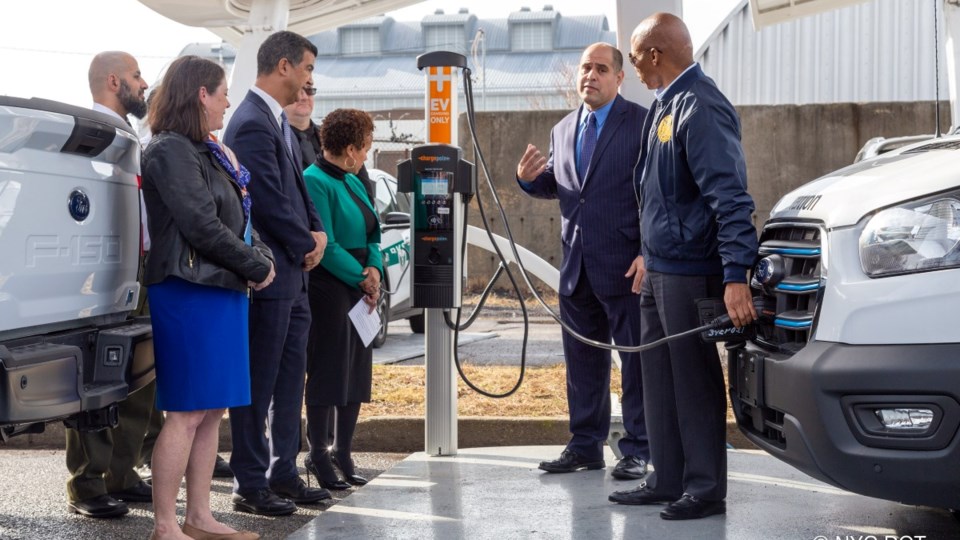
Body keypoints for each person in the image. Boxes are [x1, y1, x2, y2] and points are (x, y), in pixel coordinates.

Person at [608, 13, 759, 520]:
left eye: (633, 56)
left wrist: (736, 275)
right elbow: (660, 195)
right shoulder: (666, 105)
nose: (630, 66)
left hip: (692, 270)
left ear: (656, 54)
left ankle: (704, 488)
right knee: (659, 378)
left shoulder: (702, 106)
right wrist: (648, 255)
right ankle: (665, 477)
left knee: (692, 381)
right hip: (659, 268)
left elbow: (731, 199)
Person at [141, 55, 273, 540]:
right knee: (187, 411)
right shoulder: (169, 149)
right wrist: (256, 264)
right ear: (201, 94)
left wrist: (259, 255)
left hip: (220, 288)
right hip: (189, 290)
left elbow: (239, 216)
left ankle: (199, 517)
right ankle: (165, 525)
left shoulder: (208, 150)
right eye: (222, 94)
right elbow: (200, 224)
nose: (227, 103)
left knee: (212, 408)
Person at [515, 42, 650, 480]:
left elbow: (657, 195)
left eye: (600, 69)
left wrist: (649, 252)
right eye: (584, 68)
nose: (590, 75)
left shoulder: (642, 124)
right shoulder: (563, 128)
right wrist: (529, 180)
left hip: (627, 266)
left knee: (636, 363)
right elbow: (563, 186)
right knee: (581, 365)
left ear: (618, 78)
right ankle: (585, 445)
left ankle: (638, 448)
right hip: (576, 268)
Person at [224, 30, 330, 516]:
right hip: (269, 278)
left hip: (296, 277)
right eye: (307, 68)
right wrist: (304, 241)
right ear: (284, 66)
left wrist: (316, 231)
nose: (310, 79)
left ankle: (283, 473)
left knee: (290, 385)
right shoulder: (249, 122)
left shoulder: (280, 123)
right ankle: (250, 484)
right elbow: (264, 198)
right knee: (258, 385)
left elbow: (298, 192)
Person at [65, 50, 162, 519]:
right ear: (112, 81)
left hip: (138, 267)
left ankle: (123, 475)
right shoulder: (90, 134)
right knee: (97, 376)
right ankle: (87, 483)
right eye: (136, 76)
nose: (144, 84)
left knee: (138, 376)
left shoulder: (130, 135)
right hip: (100, 270)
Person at [301, 108, 380, 491]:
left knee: (356, 372)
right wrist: (362, 276)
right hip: (330, 287)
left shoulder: (354, 179)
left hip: (361, 283)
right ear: (350, 149)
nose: (367, 154)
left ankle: (343, 452)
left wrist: (376, 269)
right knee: (329, 371)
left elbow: (373, 231)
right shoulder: (314, 180)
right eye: (365, 148)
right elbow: (326, 243)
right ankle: (318, 454)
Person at [285, 88, 376, 201]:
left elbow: (366, 195)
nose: (304, 97)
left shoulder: (337, 134)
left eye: (309, 90)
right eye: (297, 90)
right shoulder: (274, 141)